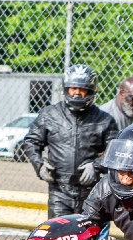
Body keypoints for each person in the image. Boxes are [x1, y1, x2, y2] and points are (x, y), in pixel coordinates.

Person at [21, 64, 118, 217]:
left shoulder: (104, 120)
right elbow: (31, 142)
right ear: (65, 89)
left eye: (82, 89)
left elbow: (116, 151)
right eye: (73, 88)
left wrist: (96, 166)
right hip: (59, 191)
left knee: (88, 231)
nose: (77, 93)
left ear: (91, 90)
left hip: (91, 192)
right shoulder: (49, 114)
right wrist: (40, 166)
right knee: (58, 230)